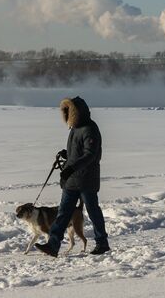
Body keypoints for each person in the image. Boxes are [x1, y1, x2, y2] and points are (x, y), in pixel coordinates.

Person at [36, 96, 110, 257]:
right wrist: (67, 154)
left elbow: (90, 154)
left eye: (69, 111)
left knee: (92, 211)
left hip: (87, 179)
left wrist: (72, 167)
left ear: (76, 112)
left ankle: (102, 243)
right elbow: (78, 151)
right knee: (63, 212)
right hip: (71, 180)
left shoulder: (90, 129)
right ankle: (52, 245)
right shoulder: (75, 129)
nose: (67, 115)